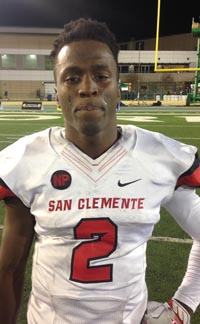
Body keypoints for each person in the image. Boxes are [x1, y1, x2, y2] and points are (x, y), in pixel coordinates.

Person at [0, 18, 200, 324]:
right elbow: (10, 269)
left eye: (101, 75)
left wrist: (184, 304)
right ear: (57, 92)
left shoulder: (158, 156)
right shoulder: (28, 159)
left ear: (118, 87)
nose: (88, 88)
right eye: (72, 78)